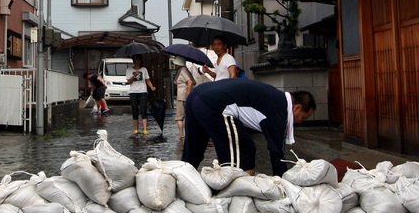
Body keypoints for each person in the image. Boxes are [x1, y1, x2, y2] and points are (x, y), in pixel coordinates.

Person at [181, 80, 316, 177]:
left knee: (192, 152)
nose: (299, 122)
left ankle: (180, 180)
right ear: (297, 107)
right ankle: (238, 196)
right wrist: (283, 185)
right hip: (215, 104)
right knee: (245, 150)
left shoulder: (274, 97)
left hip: (196, 95)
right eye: (303, 117)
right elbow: (278, 155)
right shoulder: (280, 111)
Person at [126, 54, 156, 134]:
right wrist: (134, 75)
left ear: (140, 60)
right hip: (133, 92)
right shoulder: (129, 70)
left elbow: (147, 80)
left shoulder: (144, 69)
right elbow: (129, 81)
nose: (135, 61)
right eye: (134, 60)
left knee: (143, 110)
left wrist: (152, 87)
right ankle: (136, 129)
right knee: (134, 110)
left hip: (143, 91)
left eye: (137, 59)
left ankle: (145, 129)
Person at [174, 56, 195, 140]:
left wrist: (188, 92)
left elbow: (190, 82)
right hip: (187, 96)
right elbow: (193, 81)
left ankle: (181, 134)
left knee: (180, 116)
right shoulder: (187, 71)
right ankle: (189, 133)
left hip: (182, 96)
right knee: (189, 115)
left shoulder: (182, 72)